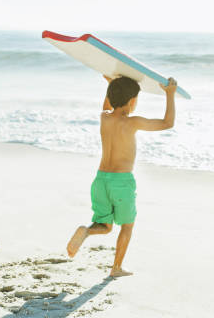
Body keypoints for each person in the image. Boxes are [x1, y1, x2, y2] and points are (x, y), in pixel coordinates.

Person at [66, 75, 178, 277]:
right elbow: (167, 123)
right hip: (121, 182)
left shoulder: (105, 117)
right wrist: (170, 94)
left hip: (100, 181)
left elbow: (107, 104)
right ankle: (116, 268)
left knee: (105, 225)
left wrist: (111, 84)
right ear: (133, 101)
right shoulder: (132, 122)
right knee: (127, 225)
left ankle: (87, 231)